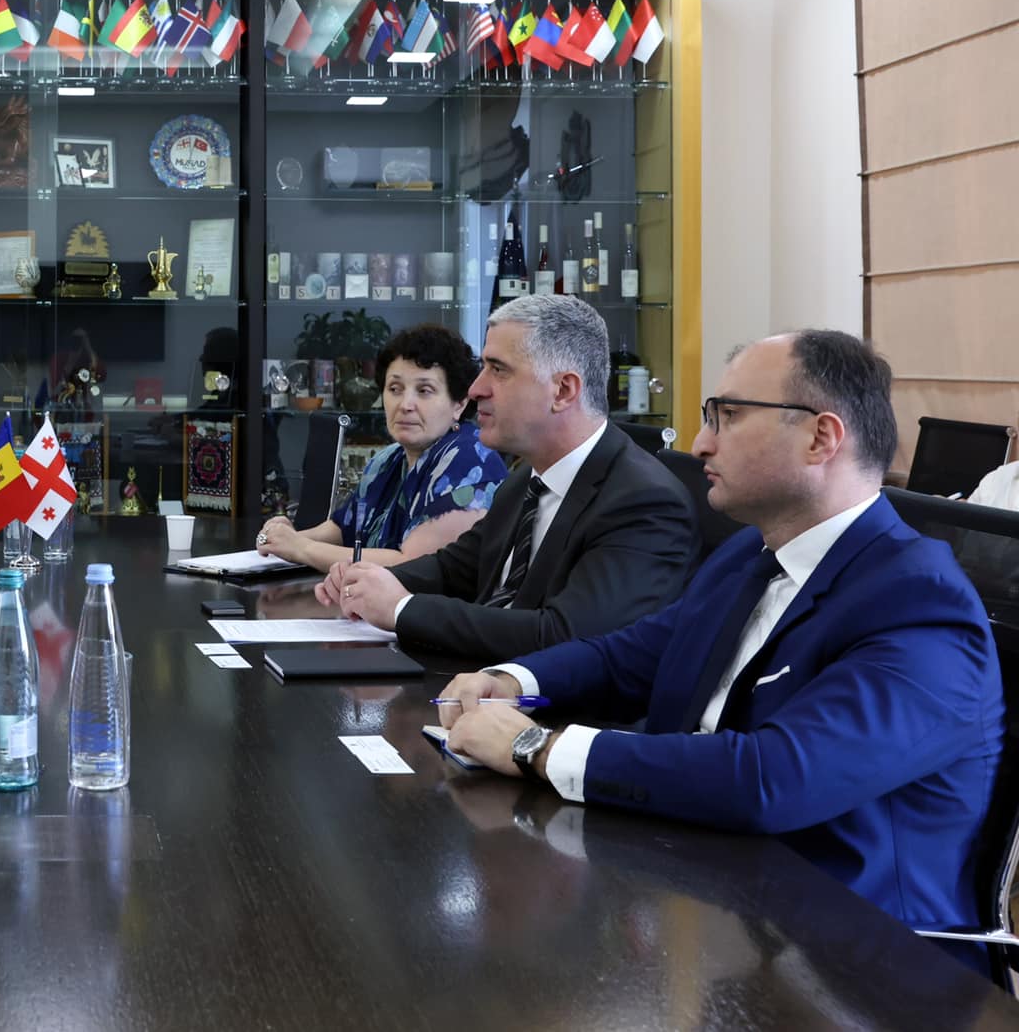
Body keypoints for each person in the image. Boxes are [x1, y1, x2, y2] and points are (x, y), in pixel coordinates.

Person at [435, 330, 1002, 932]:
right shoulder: (747, 556)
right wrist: (513, 681)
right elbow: (633, 657)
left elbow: (772, 778)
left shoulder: (920, 604)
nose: (701, 443)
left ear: (821, 437)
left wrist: (534, 747)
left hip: (851, 952)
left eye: (728, 416)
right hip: (697, 890)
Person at [328, 294, 695, 660]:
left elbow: (566, 637)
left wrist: (400, 608)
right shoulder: (526, 479)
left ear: (563, 391)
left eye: (498, 370)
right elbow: (454, 569)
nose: (476, 389)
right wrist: (369, 582)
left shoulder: (644, 503)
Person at [259, 323, 507, 572]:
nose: (405, 404)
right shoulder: (387, 460)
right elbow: (342, 529)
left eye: (424, 391)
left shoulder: (471, 460)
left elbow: (411, 565)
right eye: (395, 389)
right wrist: (285, 537)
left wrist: (301, 548)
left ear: (459, 403)